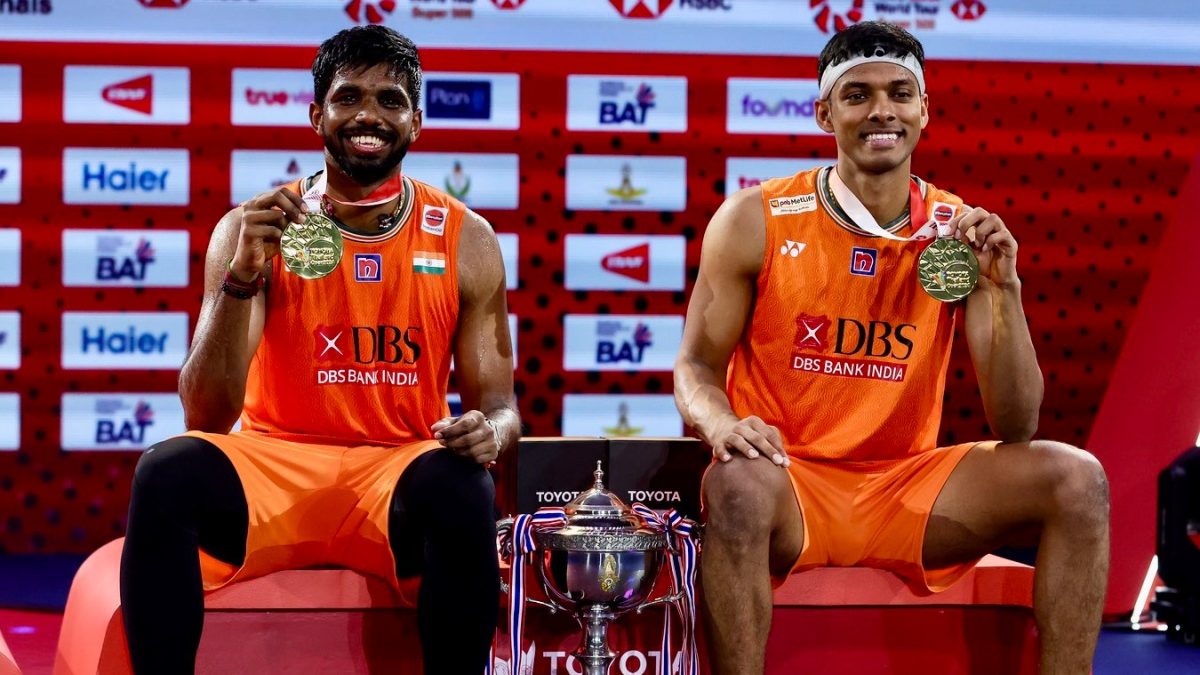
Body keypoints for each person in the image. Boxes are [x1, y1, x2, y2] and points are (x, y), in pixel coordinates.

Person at [675, 21, 1108, 675]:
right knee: (734, 485)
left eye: (901, 93)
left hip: (908, 487)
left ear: (924, 110)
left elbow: (1017, 422)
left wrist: (1005, 287)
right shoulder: (756, 218)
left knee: (1078, 479)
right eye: (858, 95)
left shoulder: (958, 232)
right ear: (825, 113)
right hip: (792, 481)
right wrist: (723, 424)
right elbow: (696, 365)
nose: (882, 110)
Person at [120, 25, 517, 675]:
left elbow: (501, 407)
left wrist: (489, 432)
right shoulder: (254, 226)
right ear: (316, 115)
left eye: (390, 100)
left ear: (416, 121)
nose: (368, 114)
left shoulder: (466, 238)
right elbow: (207, 416)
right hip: (274, 466)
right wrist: (244, 273)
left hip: (395, 475)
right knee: (166, 470)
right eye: (348, 97)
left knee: (463, 484)